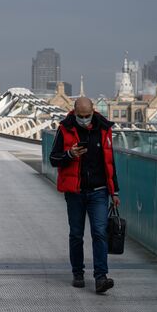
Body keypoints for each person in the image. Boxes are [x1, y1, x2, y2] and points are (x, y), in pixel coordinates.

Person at [49, 97, 121, 294]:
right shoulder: (64, 128)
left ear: (93, 111)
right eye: (80, 116)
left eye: (87, 116)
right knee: (76, 234)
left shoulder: (104, 128)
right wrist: (69, 155)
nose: (84, 119)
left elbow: (110, 161)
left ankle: (101, 277)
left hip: (99, 191)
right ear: (74, 112)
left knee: (99, 232)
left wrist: (114, 191)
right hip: (75, 192)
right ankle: (78, 273)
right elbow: (53, 158)